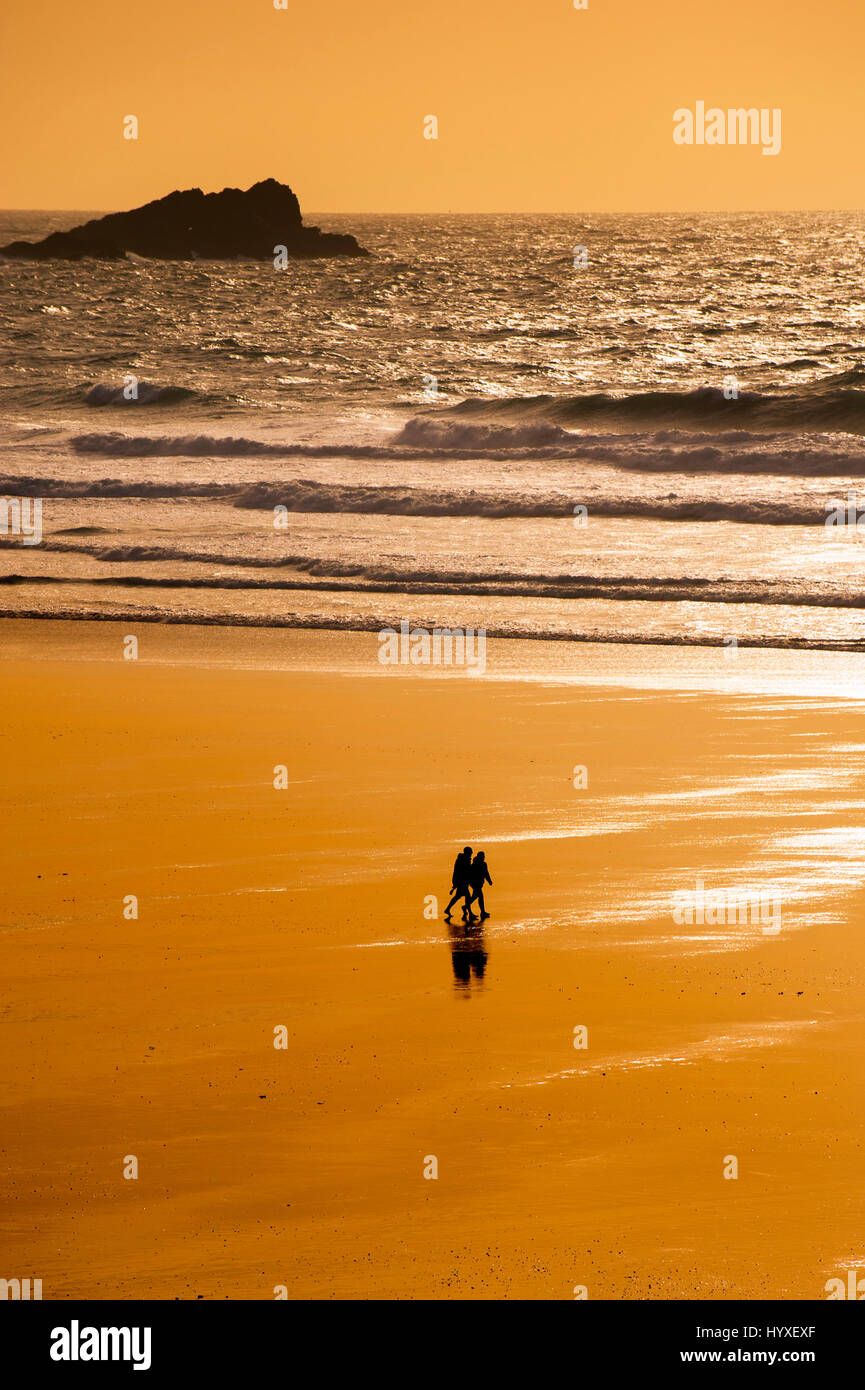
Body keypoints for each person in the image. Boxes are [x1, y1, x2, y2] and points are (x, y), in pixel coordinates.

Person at [444, 847, 473, 921]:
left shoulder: (463, 859)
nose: (471, 853)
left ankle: (448, 909)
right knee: (467, 897)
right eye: (470, 852)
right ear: (467, 852)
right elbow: (462, 871)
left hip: (461, 881)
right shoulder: (463, 860)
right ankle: (469, 912)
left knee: (458, 896)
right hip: (461, 881)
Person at [468, 851, 492, 919]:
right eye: (482, 857)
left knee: (476, 896)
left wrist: (489, 880)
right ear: (479, 857)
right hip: (475, 883)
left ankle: (466, 906)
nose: (484, 858)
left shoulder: (484, 864)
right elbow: (471, 875)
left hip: (479, 883)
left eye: (484, 856)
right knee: (480, 896)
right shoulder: (474, 865)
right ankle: (482, 912)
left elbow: (486, 873)